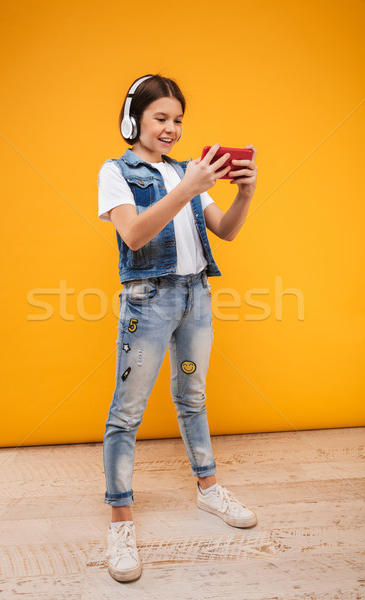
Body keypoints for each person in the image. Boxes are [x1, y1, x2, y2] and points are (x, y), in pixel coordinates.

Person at [97, 73, 258, 582]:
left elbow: (225, 232)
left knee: (192, 397)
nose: (171, 128)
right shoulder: (116, 171)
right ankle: (120, 521)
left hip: (195, 298)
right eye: (160, 118)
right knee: (127, 412)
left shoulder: (191, 170)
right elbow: (134, 234)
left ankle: (209, 490)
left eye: (178, 120)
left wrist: (245, 194)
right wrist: (186, 187)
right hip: (149, 303)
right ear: (135, 120)